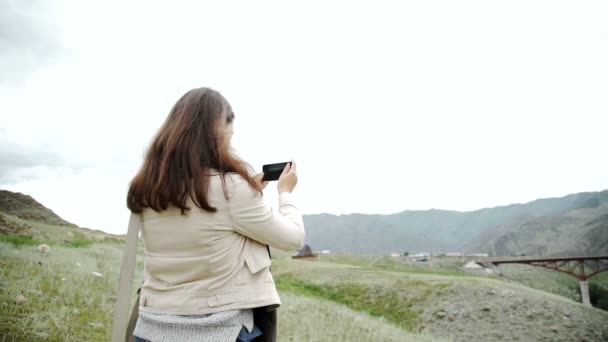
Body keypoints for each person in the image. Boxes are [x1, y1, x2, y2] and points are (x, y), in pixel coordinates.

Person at [126, 87, 305, 342]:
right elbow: (293, 238)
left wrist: (246, 194)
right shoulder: (233, 190)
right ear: (217, 134)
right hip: (218, 331)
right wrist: (285, 193)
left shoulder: (146, 190)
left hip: (150, 329)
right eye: (229, 132)